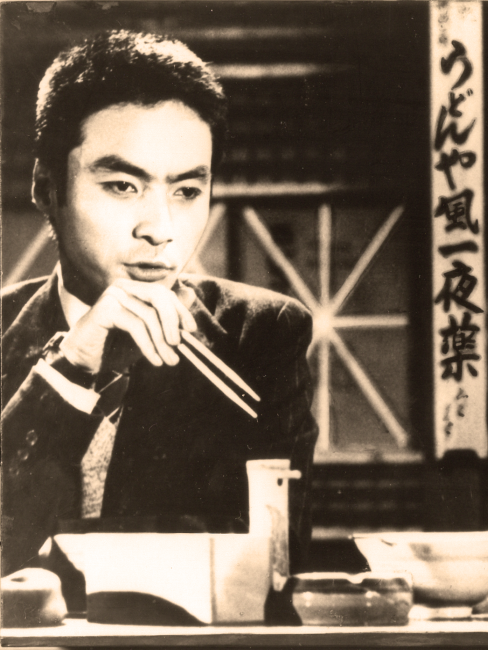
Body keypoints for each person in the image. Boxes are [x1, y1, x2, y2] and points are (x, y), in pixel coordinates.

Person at [1, 31, 318, 582]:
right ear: (46, 188)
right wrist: (71, 368)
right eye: (123, 186)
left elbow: (272, 564)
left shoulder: (260, 335)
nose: (160, 229)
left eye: (186, 191)